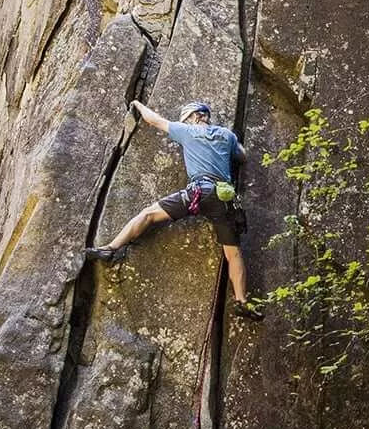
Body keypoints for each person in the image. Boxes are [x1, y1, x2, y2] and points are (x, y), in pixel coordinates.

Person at [86, 99, 262, 321]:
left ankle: (111, 249)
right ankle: (241, 301)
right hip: (223, 198)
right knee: (233, 252)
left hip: (198, 192)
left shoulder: (186, 131)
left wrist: (138, 104)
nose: (185, 122)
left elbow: (154, 120)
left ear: (194, 116)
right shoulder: (226, 135)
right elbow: (242, 156)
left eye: (186, 118)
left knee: (149, 214)